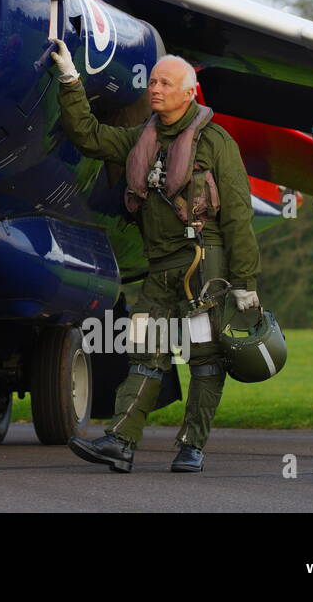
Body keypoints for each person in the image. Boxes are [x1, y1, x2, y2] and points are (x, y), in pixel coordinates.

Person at [51, 43, 260, 472]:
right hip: (161, 268)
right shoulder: (139, 138)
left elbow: (239, 215)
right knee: (145, 352)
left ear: (189, 93)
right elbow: (88, 135)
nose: (155, 89)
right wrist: (71, 78)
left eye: (166, 83)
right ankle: (122, 442)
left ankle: (192, 446)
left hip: (206, 268)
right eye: (152, 82)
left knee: (203, 355)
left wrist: (245, 284)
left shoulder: (217, 144)